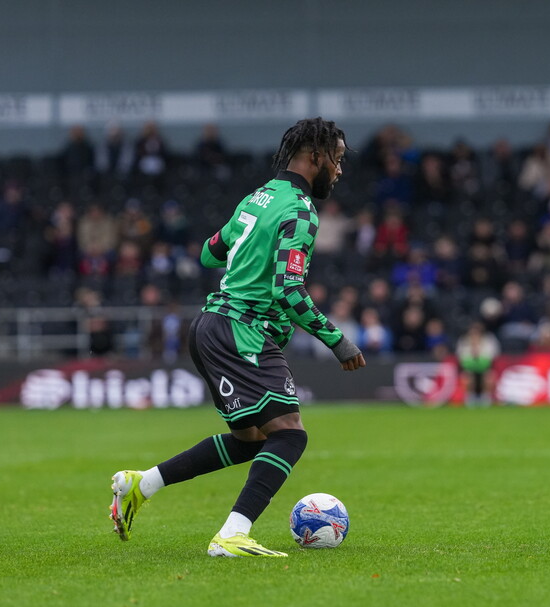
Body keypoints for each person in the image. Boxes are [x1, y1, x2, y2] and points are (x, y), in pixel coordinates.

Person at [110, 118, 366, 558]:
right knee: (290, 435)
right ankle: (231, 534)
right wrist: (338, 341)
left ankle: (142, 483)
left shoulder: (257, 197)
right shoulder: (300, 210)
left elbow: (212, 250)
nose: (340, 171)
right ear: (316, 157)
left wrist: (249, 252)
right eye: (338, 160)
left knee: (252, 441)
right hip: (241, 331)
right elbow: (289, 291)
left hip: (211, 325)